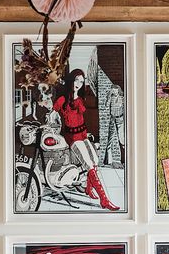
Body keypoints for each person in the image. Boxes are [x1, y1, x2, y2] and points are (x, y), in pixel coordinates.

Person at [54, 67, 118, 211]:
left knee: (95, 161)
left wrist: (76, 95)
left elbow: (81, 115)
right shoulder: (63, 99)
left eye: (81, 82)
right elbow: (53, 113)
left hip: (83, 133)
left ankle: (89, 190)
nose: (78, 84)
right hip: (72, 136)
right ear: (71, 80)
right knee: (89, 164)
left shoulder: (80, 98)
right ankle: (104, 200)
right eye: (76, 80)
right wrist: (54, 117)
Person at [101, 81, 127, 167]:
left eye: (115, 90)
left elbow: (126, 108)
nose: (113, 92)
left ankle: (124, 161)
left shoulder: (122, 98)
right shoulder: (111, 98)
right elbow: (106, 105)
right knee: (110, 139)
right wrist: (108, 97)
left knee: (122, 140)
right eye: (112, 90)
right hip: (112, 119)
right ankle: (108, 161)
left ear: (118, 90)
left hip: (120, 119)